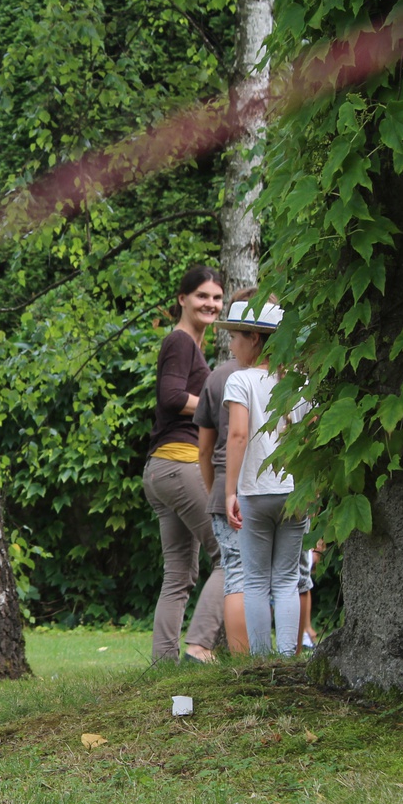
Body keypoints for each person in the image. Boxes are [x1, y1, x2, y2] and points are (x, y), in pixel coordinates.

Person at [142, 266, 225, 663]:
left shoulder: (191, 344)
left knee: (178, 574)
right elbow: (172, 396)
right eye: (202, 296)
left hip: (161, 470)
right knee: (232, 554)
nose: (211, 304)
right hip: (180, 463)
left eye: (217, 298)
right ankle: (200, 646)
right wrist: (221, 408)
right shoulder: (180, 340)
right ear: (182, 299)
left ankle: (164, 665)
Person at [220, 300, 310, 656]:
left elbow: (238, 435)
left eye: (234, 337)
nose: (231, 346)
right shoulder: (300, 382)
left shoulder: (240, 380)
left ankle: (260, 660)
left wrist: (230, 491)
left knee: (256, 580)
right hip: (295, 491)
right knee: (288, 579)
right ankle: (287, 657)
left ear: (254, 339)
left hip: (255, 492)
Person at [193, 286, 258, 655]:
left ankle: (242, 660)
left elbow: (204, 448)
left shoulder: (219, 377)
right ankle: (288, 656)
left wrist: (215, 489)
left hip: (226, 492)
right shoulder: (289, 375)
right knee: (286, 579)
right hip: (277, 489)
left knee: (237, 575)